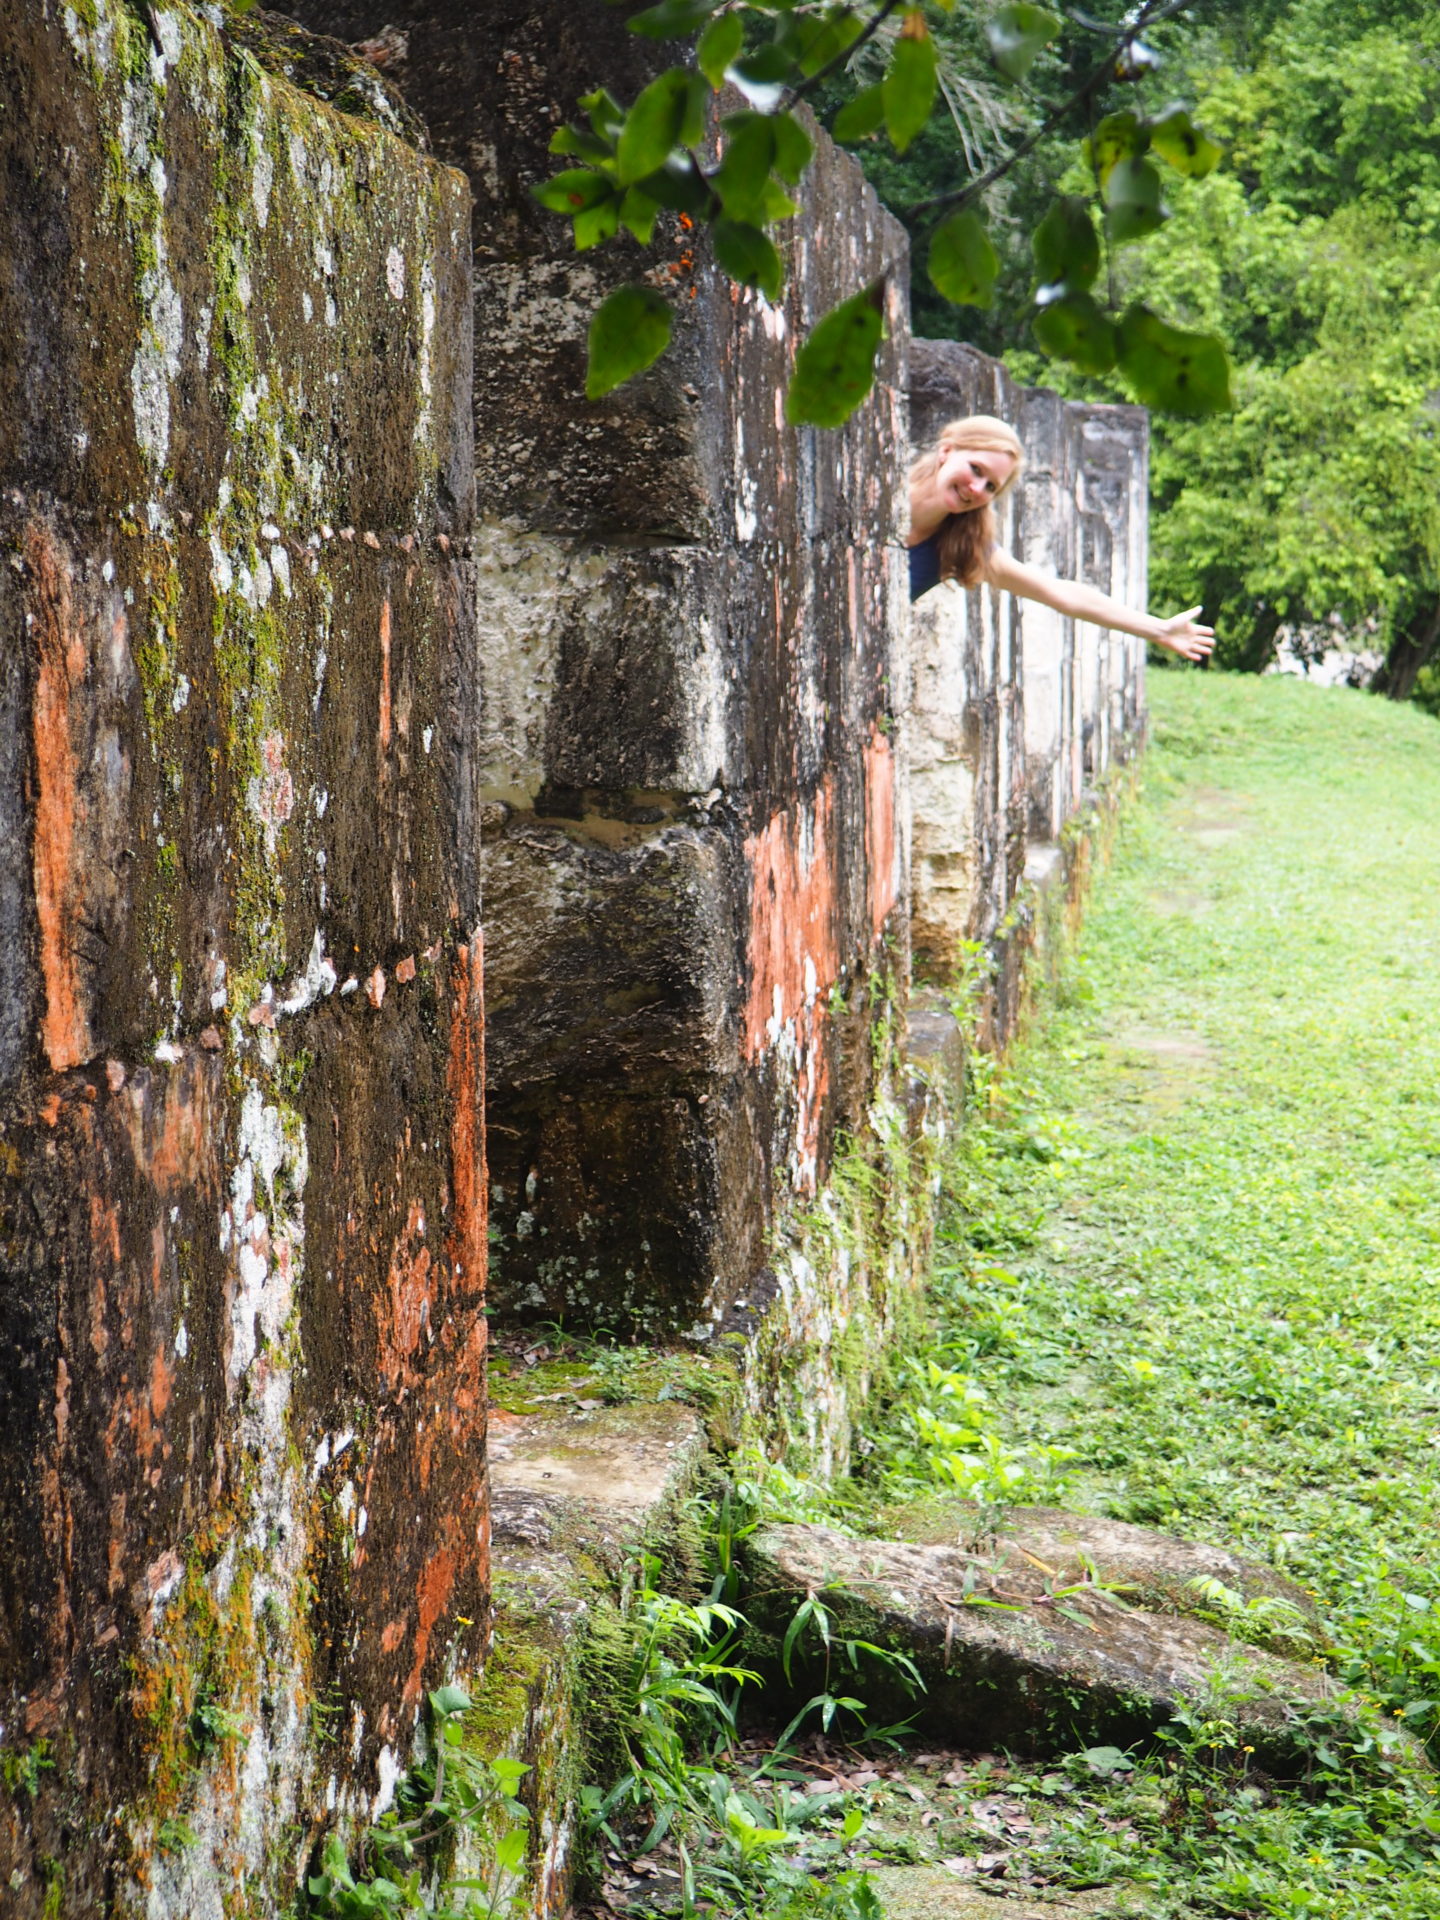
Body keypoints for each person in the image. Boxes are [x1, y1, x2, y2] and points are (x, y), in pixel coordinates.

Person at [907, 415, 1215, 663]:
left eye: (991, 487)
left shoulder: (962, 545)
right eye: (976, 469)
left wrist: (1158, 629)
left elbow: (1061, 593)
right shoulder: (882, 493)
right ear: (946, 451)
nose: (976, 488)